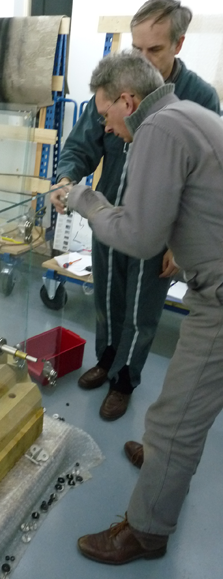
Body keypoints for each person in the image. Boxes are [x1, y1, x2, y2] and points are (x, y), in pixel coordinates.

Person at [64, 49, 223, 565]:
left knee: (178, 417)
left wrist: (84, 200)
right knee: (176, 394)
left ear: (129, 101)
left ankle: (147, 532)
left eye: (107, 114)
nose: (108, 127)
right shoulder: (185, 114)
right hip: (210, 285)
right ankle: (158, 458)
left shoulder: (158, 129)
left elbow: (138, 235)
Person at [51, 0, 220, 421]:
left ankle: (126, 379)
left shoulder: (198, 98)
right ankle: (106, 360)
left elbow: (204, 185)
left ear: (178, 45)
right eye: (137, 48)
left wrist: (177, 247)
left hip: (160, 235)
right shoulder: (117, 84)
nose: (143, 59)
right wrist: (68, 179)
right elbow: (82, 144)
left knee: (143, 312)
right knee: (107, 298)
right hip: (111, 220)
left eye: (155, 50)